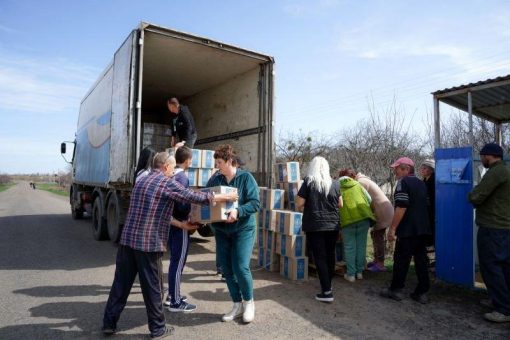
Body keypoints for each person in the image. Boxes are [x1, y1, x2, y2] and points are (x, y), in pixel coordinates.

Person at [102, 151, 238, 338]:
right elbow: (192, 196)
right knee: (154, 288)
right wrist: (225, 198)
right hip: (148, 245)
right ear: (165, 167)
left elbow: (156, 212)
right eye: (173, 168)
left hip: (127, 243)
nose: (174, 171)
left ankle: (109, 323)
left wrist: (182, 224)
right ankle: (158, 329)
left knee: (120, 285)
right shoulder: (166, 182)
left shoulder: (142, 180)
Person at [207, 144, 260, 323]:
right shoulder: (216, 179)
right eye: (216, 163)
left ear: (230, 161)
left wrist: (238, 211)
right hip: (222, 230)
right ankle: (236, 304)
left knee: (241, 266)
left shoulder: (246, 178)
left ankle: (249, 302)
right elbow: (206, 198)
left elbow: (255, 203)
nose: (217, 166)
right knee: (227, 269)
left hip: (243, 229)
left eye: (220, 162)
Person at [468, 143, 510, 323]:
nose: (482, 158)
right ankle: (500, 300)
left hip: (493, 227)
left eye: (482, 156)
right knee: (504, 267)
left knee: (491, 266)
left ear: (489, 156)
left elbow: (476, 196)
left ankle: (504, 309)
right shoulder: (505, 171)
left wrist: (472, 195)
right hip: (504, 227)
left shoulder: (495, 172)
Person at [380, 157, 431, 304]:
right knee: (421, 261)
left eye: (397, 169)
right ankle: (422, 293)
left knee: (401, 260)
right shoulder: (422, 184)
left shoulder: (403, 183)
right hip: (423, 230)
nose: (395, 172)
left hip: (408, 230)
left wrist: (393, 228)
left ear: (406, 169)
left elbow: (401, 206)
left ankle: (395, 290)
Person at [297, 157, 342, 302]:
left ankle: (327, 292)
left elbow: (299, 203)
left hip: (315, 225)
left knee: (320, 257)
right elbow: (340, 204)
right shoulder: (335, 183)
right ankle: (328, 284)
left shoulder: (308, 182)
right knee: (330, 255)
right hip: (333, 224)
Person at [163, 147, 198, 312]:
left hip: (171, 224)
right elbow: (183, 202)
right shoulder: (182, 177)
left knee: (175, 261)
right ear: (188, 160)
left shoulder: (172, 175)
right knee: (178, 262)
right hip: (180, 224)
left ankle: (172, 294)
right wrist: (192, 215)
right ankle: (175, 302)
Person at [338, 170, 375, 282]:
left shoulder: (337, 187)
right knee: (361, 246)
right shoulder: (358, 185)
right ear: (352, 177)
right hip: (363, 218)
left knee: (350, 248)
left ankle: (351, 275)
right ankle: (359, 273)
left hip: (347, 221)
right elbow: (370, 201)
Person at [420, 159, 436, 267]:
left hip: (432, 213)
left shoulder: (433, 181)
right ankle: (428, 260)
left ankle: (433, 261)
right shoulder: (425, 180)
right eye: (422, 168)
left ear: (431, 170)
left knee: (431, 237)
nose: (422, 170)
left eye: (425, 168)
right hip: (425, 213)